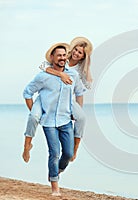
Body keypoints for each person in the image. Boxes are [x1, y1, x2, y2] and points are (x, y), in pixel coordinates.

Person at [23, 43, 85, 196]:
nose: (62, 58)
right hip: (49, 122)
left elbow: (79, 92)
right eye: (59, 55)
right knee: (54, 153)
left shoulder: (73, 75)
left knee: (68, 154)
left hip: (65, 121)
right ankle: (55, 187)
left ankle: (56, 171)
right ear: (52, 57)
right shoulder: (43, 76)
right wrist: (36, 112)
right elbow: (27, 92)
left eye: (64, 55)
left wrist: (77, 112)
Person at [22, 37, 93, 162]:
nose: (76, 53)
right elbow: (43, 66)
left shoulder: (80, 70)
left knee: (81, 118)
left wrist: (87, 65)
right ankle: (27, 144)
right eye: (75, 50)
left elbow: (85, 88)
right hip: (47, 95)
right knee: (34, 116)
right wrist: (61, 74)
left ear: (83, 56)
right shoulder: (62, 58)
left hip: (66, 99)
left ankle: (75, 149)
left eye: (80, 53)